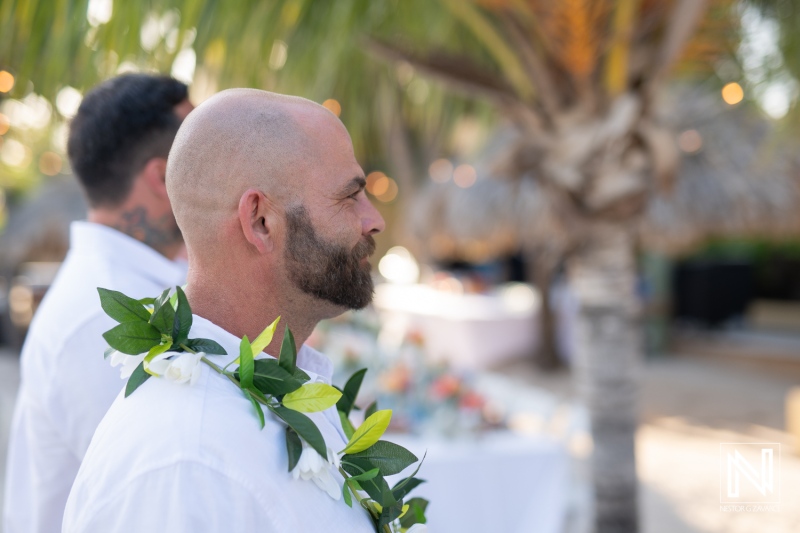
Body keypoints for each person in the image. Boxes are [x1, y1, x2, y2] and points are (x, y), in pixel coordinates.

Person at [62, 89, 385, 532]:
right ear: (260, 221)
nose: (374, 219)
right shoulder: (186, 464)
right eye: (349, 197)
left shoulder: (266, 397)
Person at [3, 74, 193, 533]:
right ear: (161, 175)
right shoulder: (101, 318)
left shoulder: (137, 287)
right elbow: (159, 498)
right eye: (201, 153)